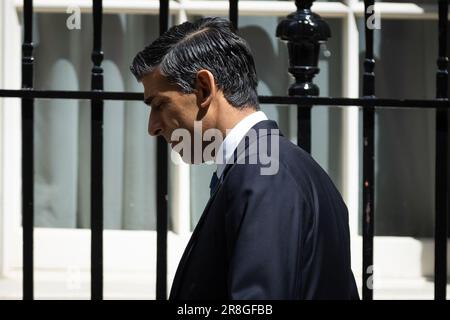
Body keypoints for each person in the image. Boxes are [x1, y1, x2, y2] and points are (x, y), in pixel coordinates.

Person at [130, 17, 359, 300]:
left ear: (203, 88)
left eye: (160, 104)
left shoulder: (263, 173)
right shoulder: (276, 165)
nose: (152, 127)